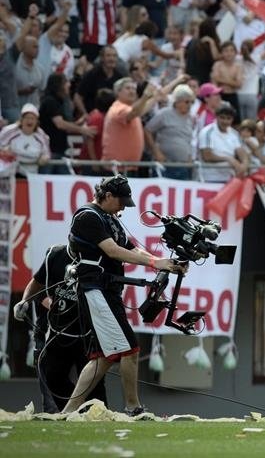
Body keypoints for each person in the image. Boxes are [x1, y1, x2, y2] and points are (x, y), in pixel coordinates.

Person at [61, 175, 183, 414]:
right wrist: (155, 262)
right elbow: (113, 251)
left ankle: (67, 412)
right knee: (131, 349)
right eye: (121, 202)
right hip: (94, 289)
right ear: (107, 196)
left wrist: (163, 262)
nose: (123, 207)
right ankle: (133, 407)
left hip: (106, 290)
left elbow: (130, 247)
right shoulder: (88, 216)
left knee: (104, 358)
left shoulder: (109, 218)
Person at [13, 244, 107, 413]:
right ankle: (74, 412)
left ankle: (97, 415)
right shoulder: (54, 255)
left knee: (94, 383)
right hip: (58, 331)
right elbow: (37, 282)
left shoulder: (101, 259)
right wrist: (25, 300)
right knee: (52, 376)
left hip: (88, 333)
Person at [145, 84, 196, 180]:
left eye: (192, 102)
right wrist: (156, 152)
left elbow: (188, 139)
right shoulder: (164, 114)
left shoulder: (191, 118)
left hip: (183, 166)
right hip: (165, 164)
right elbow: (148, 130)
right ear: (177, 102)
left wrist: (189, 156)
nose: (190, 105)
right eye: (187, 102)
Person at [198, 101, 249, 183]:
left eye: (228, 118)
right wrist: (229, 159)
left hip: (230, 179)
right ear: (216, 117)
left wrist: (244, 165)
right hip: (210, 179)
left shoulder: (234, 134)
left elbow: (242, 153)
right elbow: (207, 156)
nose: (225, 121)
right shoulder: (207, 132)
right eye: (222, 117)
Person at [0, 102, 50, 174]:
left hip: (31, 173)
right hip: (11, 172)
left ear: (37, 121)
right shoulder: (9, 131)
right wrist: (4, 152)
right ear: (21, 119)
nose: (29, 121)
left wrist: (44, 159)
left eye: (32, 118)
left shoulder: (41, 135)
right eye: (27, 118)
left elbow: (46, 153)